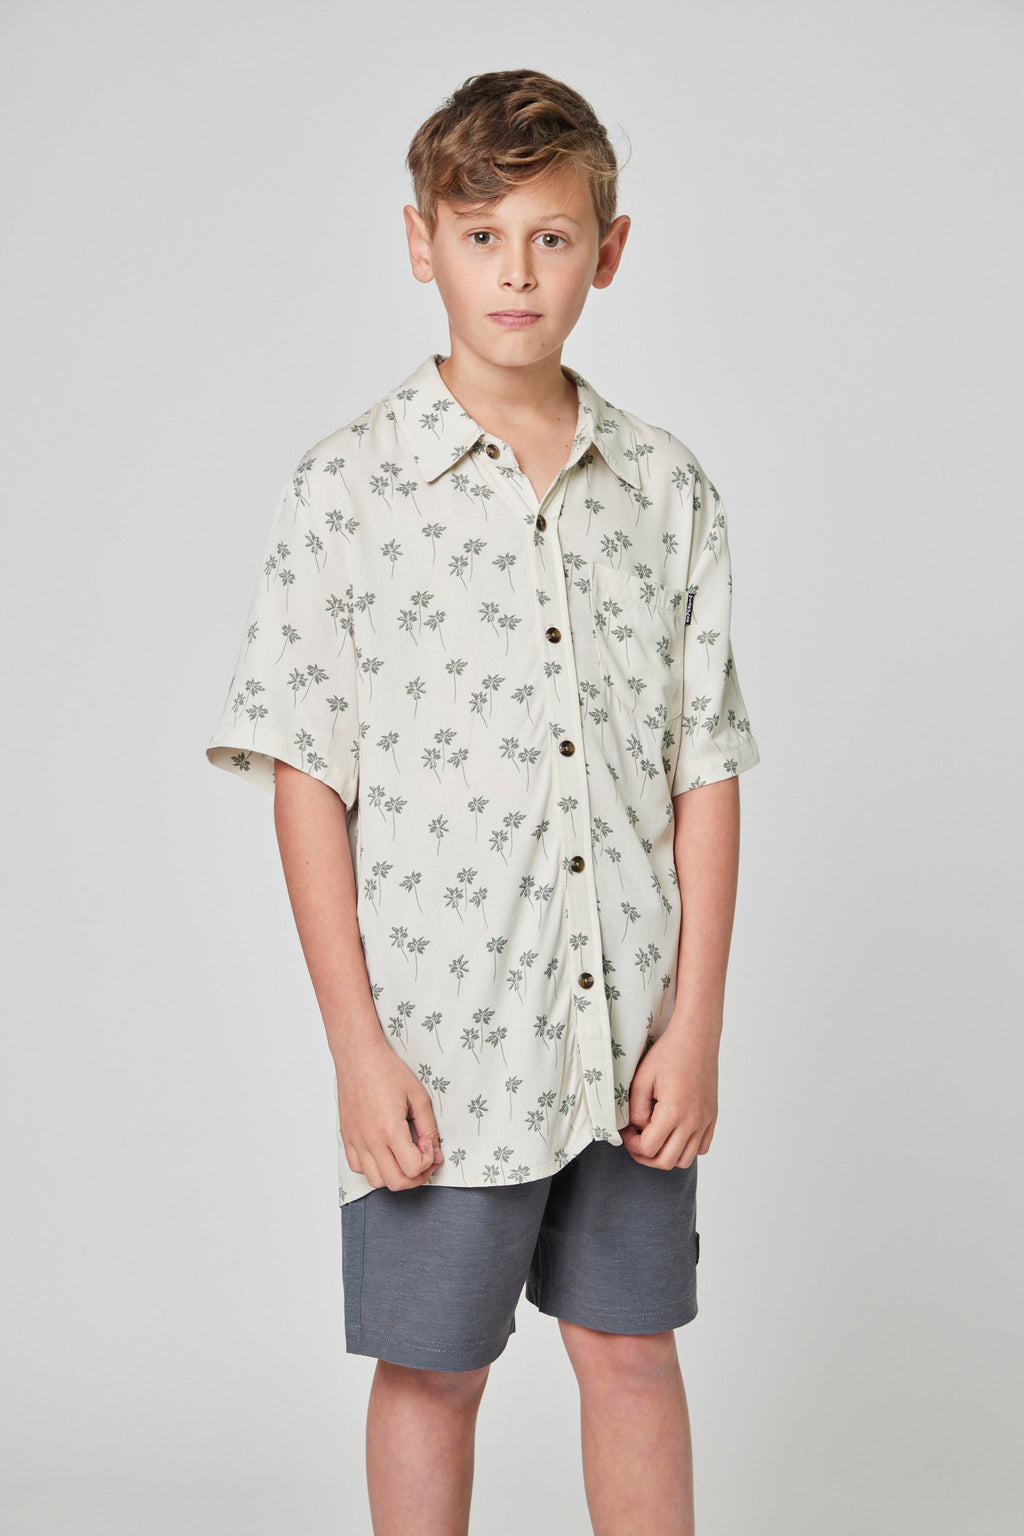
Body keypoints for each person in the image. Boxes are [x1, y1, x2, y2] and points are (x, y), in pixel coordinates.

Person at [205, 67, 761, 1536]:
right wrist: (356, 1046)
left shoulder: (669, 493)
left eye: (552, 238)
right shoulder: (346, 490)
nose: (516, 273)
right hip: (443, 1049)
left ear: (609, 251)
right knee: (434, 1369)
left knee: (631, 1353)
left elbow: (704, 768)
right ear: (421, 243)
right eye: (480, 236)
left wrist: (695, 1025)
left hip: (628, 1040)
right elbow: (306, 779)